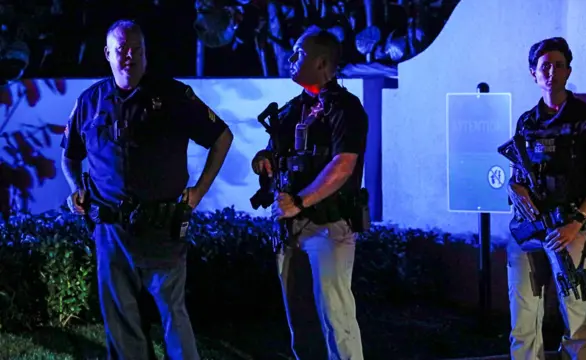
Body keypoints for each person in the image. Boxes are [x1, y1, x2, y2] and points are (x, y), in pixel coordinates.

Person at [60, 19, 233, 359]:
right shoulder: (90, 101)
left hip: (162, 230)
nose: (129, 56)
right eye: (121, 49)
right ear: (108, 54)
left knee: (174, 320)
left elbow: (222, 137)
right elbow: (69, 155)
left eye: (136, 49)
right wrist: (77, 187)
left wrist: (199, 190)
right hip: (110, 231)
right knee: (122, 327)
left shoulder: (173, 96)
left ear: (146, 53)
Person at [251, 26, 369, 359]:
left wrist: (300, 202)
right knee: (301, 325)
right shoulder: (292, 109)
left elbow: (343, 166)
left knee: (337, 320)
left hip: (328, 227)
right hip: (289, 230)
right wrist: (263, 160)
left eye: (298, 53)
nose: (291, 58)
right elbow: (273, 152)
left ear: (321, 62)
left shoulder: (346, 108)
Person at [505, 37, 586, 360]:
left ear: (568, 71)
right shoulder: (527, 121)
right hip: (529, 231)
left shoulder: (584, 119)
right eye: (544, 66)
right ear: (533, 73)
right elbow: (516, 174)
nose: (551, 71)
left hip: (570, 231)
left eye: (559, 65)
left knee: (578, 321)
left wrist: (578, 222)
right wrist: (516, 188)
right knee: (523, 320)